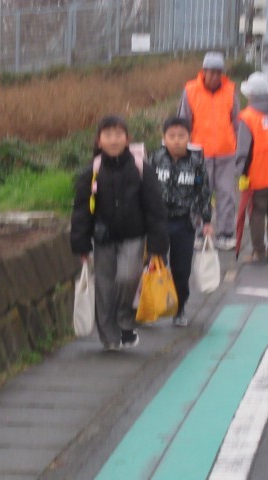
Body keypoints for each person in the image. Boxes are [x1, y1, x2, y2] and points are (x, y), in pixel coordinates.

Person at [70, 115, 169, 351]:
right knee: (104, 286)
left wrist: (157, 244)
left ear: (127, 139)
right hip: (102, 238)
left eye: (118, 134)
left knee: (128, 277)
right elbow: (81, 210)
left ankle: (124, 318)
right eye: (108, 135)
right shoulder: (91, 172)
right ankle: (109, 337)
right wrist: (81, 243)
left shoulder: (140, 169)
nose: (113, 140)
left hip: (134, 236)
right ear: (99, 141)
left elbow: (155, 207)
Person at [149, 117, 213, 327]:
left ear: (189, 137)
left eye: (181, 136)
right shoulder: (155, 159)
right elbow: (144, 188)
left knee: (182, 268)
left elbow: (204, 192)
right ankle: (153, 304)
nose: (176, 140)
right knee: (155, 264)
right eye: (171, 136)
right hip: (157, 222)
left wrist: (206, 220)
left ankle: (179, 308)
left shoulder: (196, 162)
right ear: (164, 138)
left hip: (184, 222)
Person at [178, 51, 240, 251]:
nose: (215, 76)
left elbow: (236, 122)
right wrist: (183, 150)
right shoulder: (190, 91)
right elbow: (183, 122)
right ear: (203, 71)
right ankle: (197, 232)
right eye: (211, 72)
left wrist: (239, 147)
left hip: (226, 152)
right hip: (199, 153)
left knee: (226, 194)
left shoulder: (230, 91)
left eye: (218, 72)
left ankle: (225, 234)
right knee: (198, 195)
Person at [236, 72, 268, 264]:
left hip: (258, 176)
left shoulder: (247, 117)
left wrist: (240, 173)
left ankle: (258, 252)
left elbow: (243, 150)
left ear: (250, 94)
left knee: (257, 214)